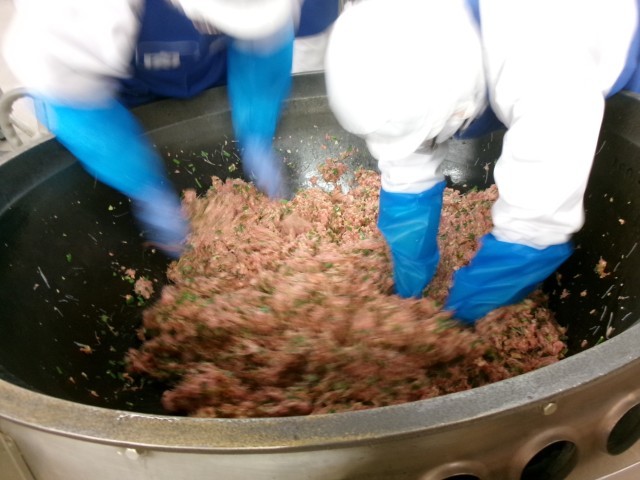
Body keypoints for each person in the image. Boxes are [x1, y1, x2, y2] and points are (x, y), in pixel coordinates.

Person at [325, 0, 640, 324]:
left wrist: (454, 322)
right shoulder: (409, 41)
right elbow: (408, 157)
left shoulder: (542, 66)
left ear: (458, 109)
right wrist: (408, 264)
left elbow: (537, 225)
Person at [2, 0, 339, 258]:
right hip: (116, 95)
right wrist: (143, 185)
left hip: (221, 75)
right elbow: (69, 100)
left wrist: (256, 132)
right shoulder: (74, 11)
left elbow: (268, 41)